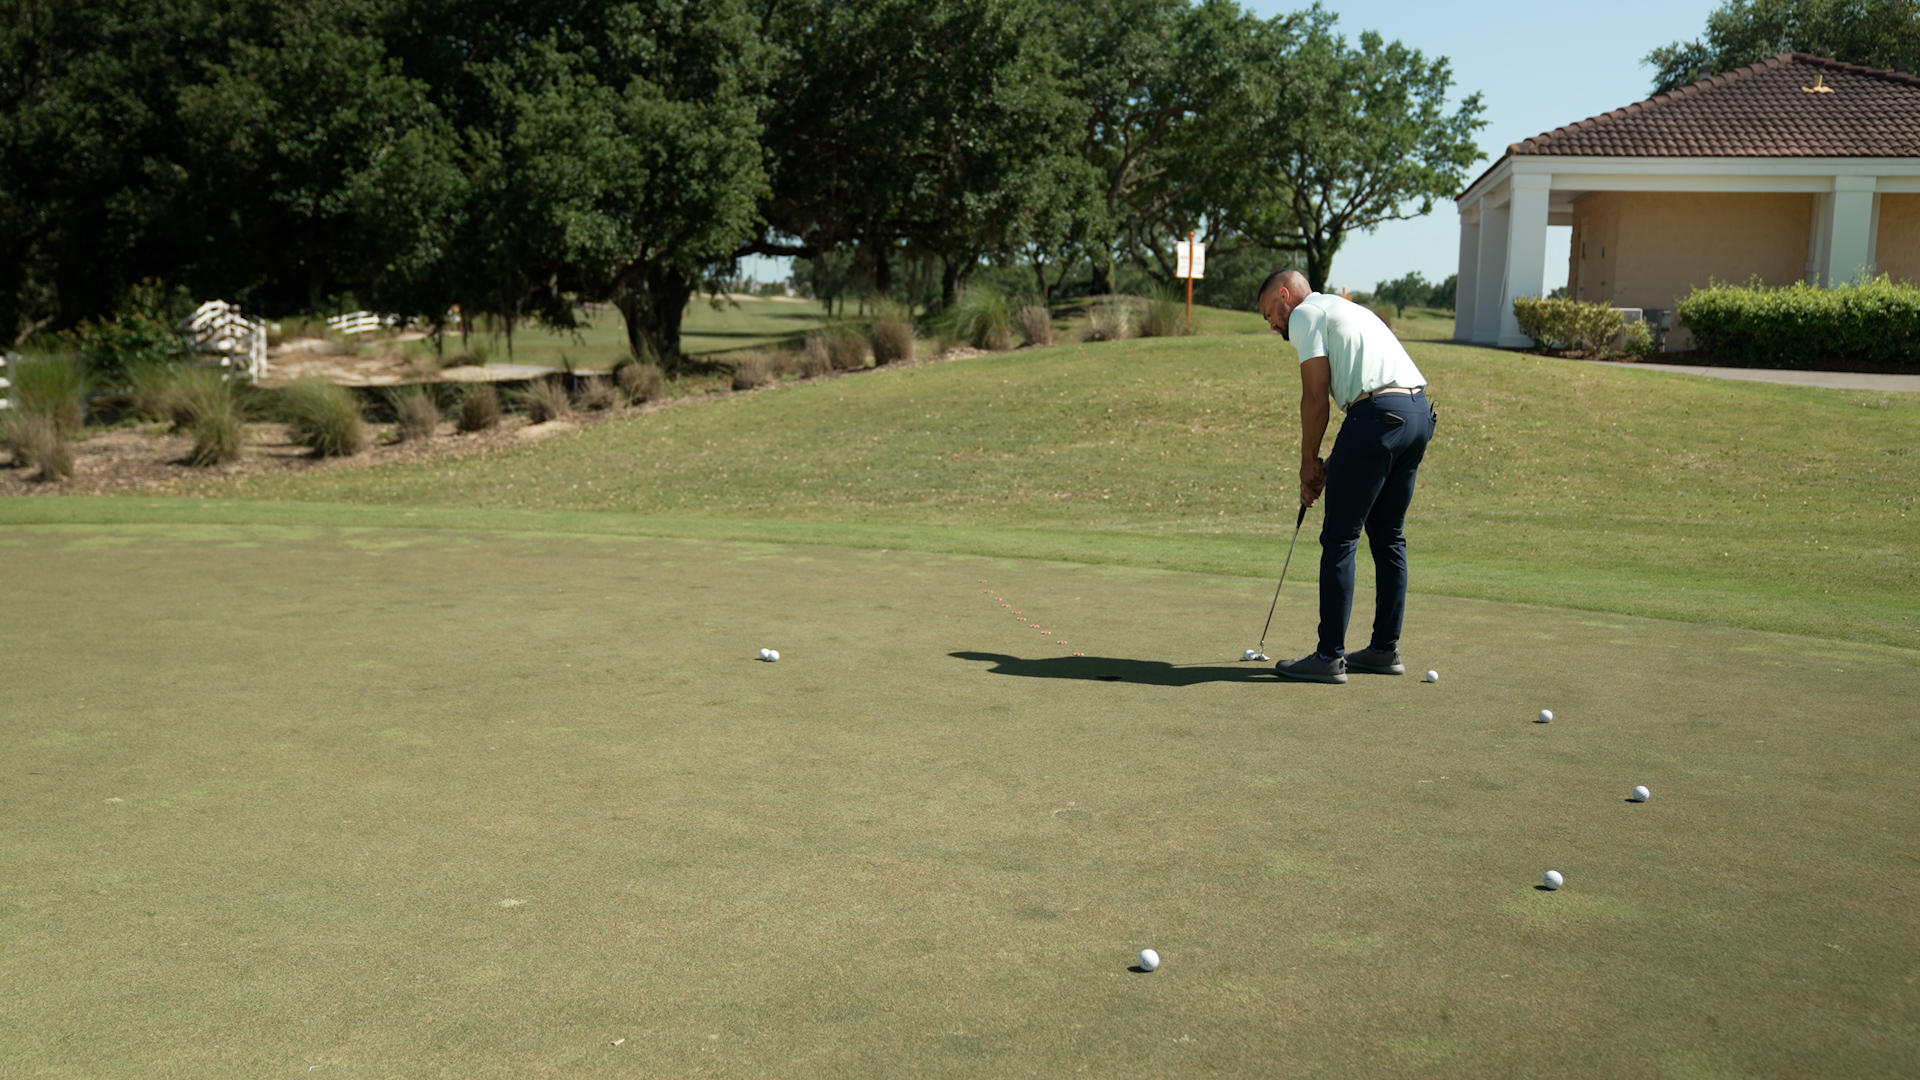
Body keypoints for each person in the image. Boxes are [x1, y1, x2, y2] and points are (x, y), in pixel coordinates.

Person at [1256, 269, 1435, 684]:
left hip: (1376, 416)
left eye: (1270, 313)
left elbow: (1316, 397)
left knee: (1340, 536)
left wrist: (1307, 463)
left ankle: (1329, 656)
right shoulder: (1345, 307)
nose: (1273, 324)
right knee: (1388, 535)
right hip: (1416, 414)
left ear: (1286, 295)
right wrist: (1329, 464)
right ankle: (1383, 650)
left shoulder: (1304, 314)